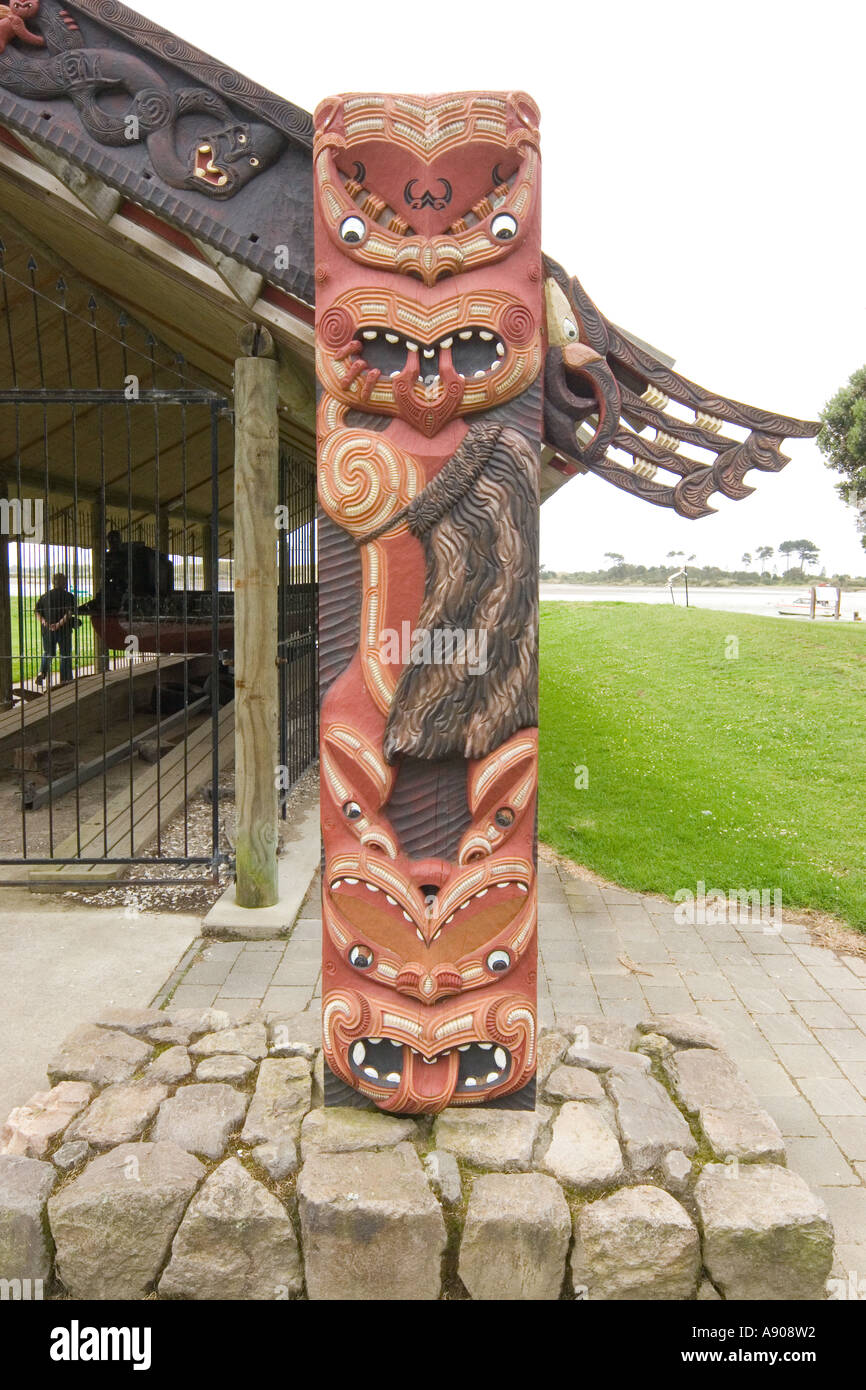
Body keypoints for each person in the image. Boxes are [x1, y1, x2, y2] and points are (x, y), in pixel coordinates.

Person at [35, 572, 77, 688]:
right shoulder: (68, 596)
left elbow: (37, 611)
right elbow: (69, 613)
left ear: (53, 582)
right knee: (65, 654)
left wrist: (45, 623)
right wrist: (58, 624)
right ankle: (65, 679)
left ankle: (41, 673)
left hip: (47, 630)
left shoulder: (45, 596)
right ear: (63, 582)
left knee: (48, 652)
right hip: (64, 630)